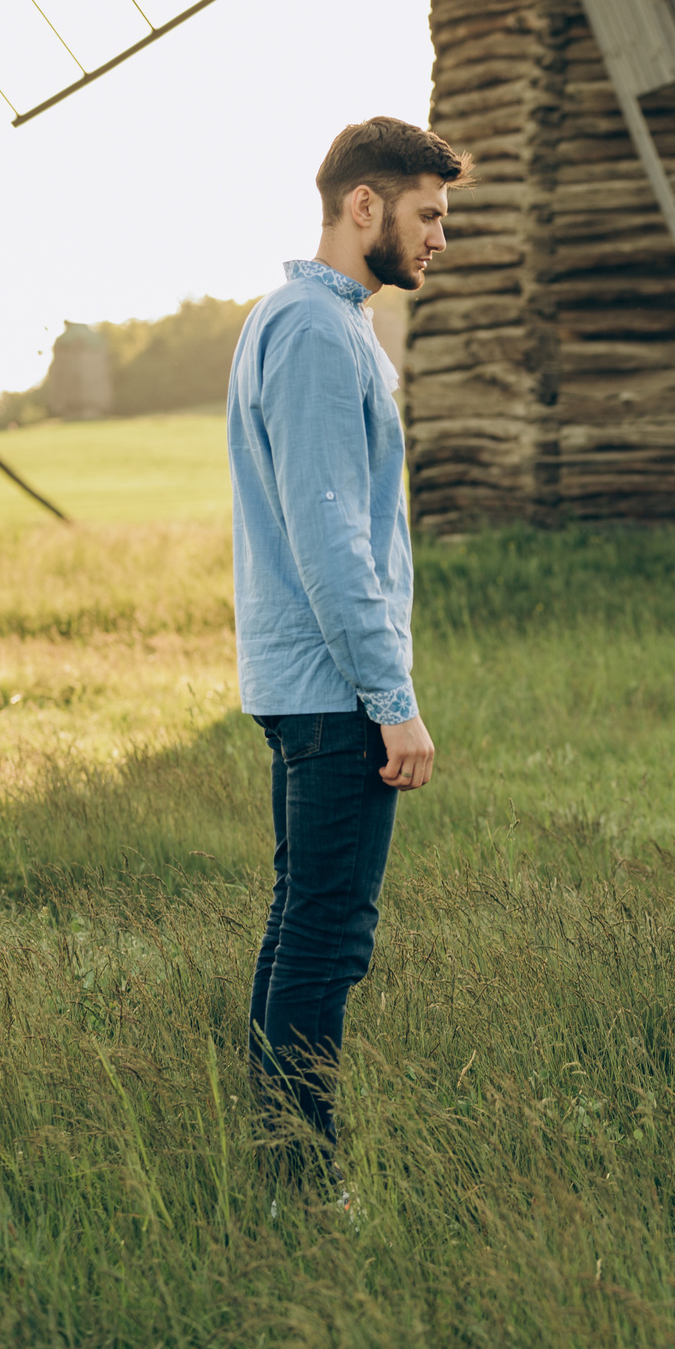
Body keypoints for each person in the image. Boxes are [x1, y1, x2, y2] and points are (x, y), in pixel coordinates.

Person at [229, 116, 469, 1183]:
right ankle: (299, 1177)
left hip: (305, 685)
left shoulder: (302, 322)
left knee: (300, 924)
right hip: (335, 692)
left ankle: (275, 1154)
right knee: (327, 938)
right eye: (428, 215)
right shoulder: (320, 335)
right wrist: (392, 697)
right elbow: (330, 534)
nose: (440, 239)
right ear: (362, 206)